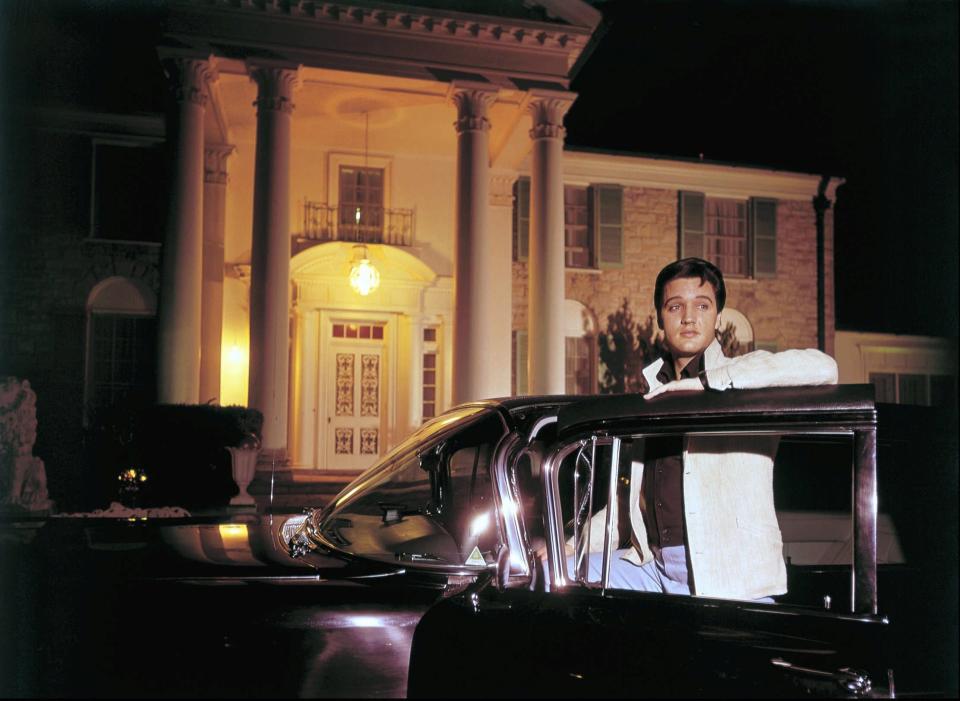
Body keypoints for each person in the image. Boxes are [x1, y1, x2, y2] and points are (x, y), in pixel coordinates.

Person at [561, 257, 837, 601]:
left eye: (702, 306)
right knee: (555, 573)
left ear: (718, 317)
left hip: (730, 578)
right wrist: (570, 549)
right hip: (654, 567)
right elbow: (626, 506)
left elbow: (824, 369)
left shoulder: (745, 379)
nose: (689, 318)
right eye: (675, 306)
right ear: (660, 318)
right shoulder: (653, 396)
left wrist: (708, 384)